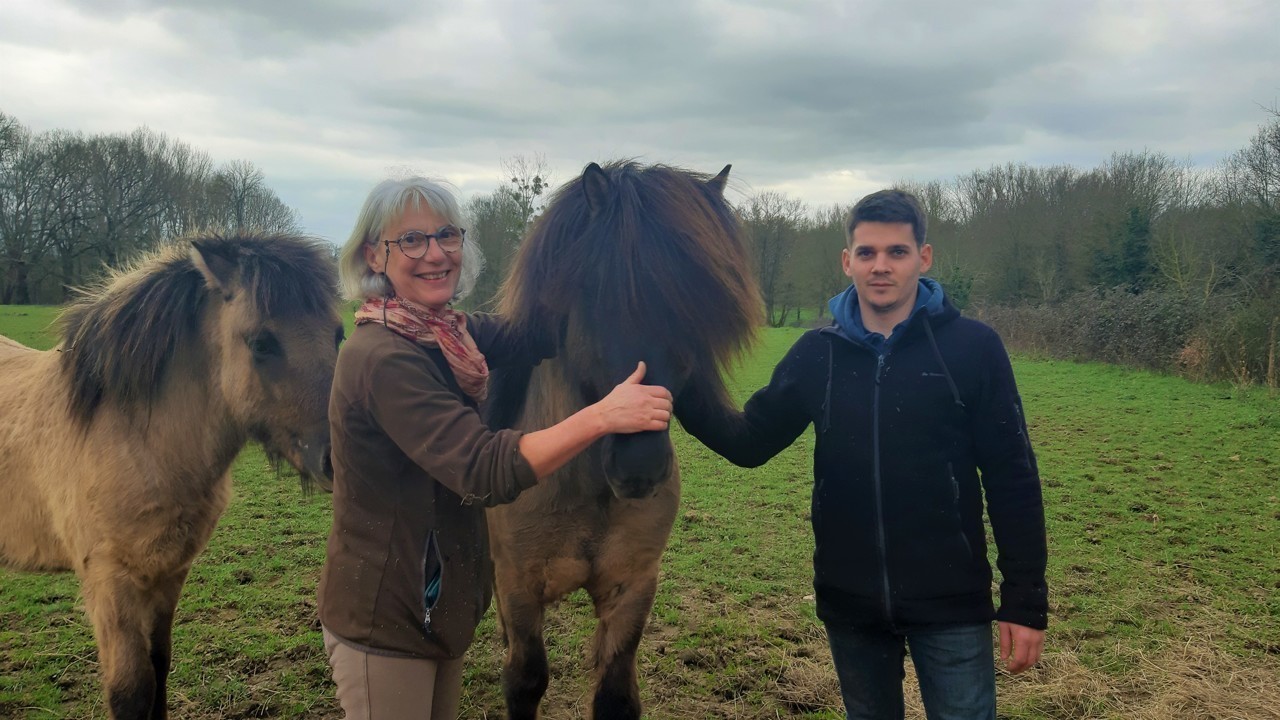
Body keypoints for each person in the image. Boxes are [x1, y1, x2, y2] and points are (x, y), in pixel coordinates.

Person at [676, 189, 1047, 719]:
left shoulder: (972, 348)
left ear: (924, 257)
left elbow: (1014, 478)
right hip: (850, 605)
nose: (881, 266)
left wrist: (1025, 600)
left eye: (897, 252)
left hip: (952, 604)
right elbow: (750, 442)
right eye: (867, 253)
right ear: (847, 261)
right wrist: (681, 380)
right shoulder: (816, 353)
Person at [317, 177, 673, 719]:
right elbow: (482, 469)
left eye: (446, 236)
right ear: (374, 255)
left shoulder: (449, 333)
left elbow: (532, 335)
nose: (435, 253)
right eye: (411, 240)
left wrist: (609, 269)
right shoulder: (381, 356)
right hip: (384, 616)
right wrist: (602, 416)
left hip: (440, 608)